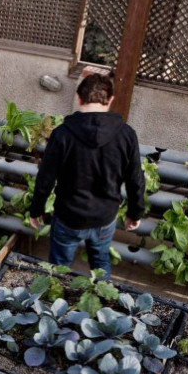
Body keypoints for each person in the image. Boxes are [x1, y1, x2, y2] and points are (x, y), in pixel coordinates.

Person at [27, 72, 145, 279]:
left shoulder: (62, 134)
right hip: (104, 218)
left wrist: (36, 209)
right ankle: (99, 305)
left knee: (58, 268)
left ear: (79, 99)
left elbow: (45, 178)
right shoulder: (126, 135)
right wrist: (135, 213)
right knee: (100, 265)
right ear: (110, 100)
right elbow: (135, 179)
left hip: (67, 217)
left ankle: (54, 307)